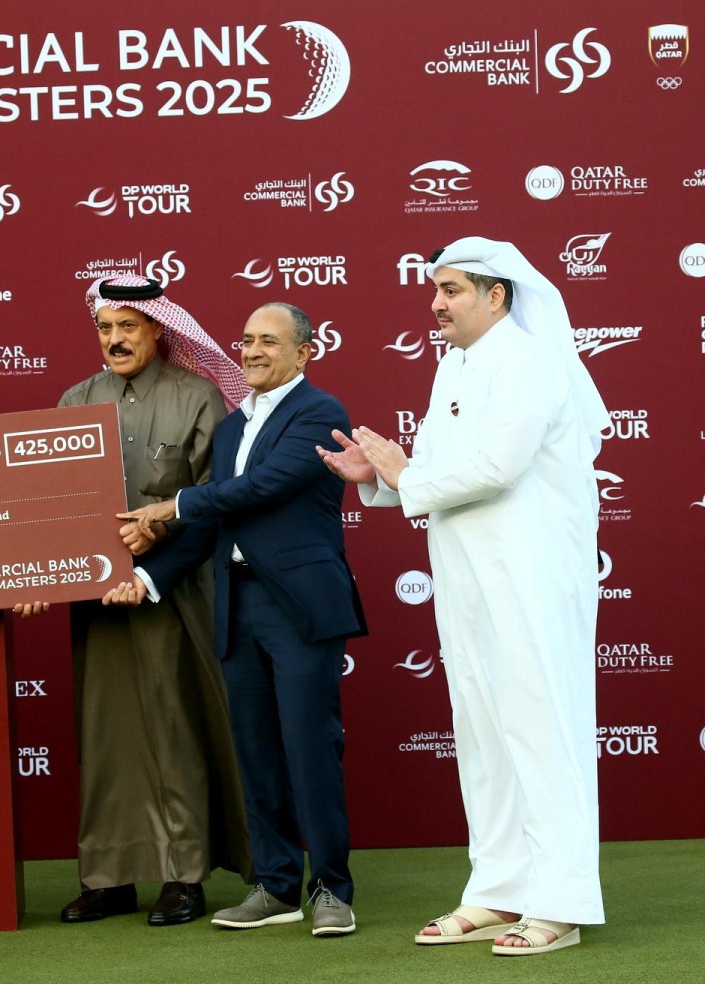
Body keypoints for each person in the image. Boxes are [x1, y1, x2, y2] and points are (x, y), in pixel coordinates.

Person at [318, 236, 608, 956]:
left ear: (496, 295)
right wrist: (379, 477)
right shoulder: (454, 363)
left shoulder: (533, 361)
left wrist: (403, 473)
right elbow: (440, 471)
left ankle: (561, 903)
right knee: (481, 727)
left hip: (532, 573)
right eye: (435, 289)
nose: (435, 303)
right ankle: (498, 887)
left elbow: (498, 468)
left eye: (450, 290)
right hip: (467, 571)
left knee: (543, 730)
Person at [113, 302, 366, 938]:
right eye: (247, 340)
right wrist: (146, 578)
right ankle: (275, 885)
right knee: (255, 752)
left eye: (269, 342)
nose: (252, 351)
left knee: (310, 749)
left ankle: (331, 889)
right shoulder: (229, 431)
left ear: (304, 353)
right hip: (239, 605)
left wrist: (173, 504)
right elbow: (212, 528)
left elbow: (264, 488)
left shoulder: (320, 412)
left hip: (299, 609)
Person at [37, 274, 252, 927]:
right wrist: (32, 576)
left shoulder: (199, 398)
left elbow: (220, 501)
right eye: (105, 328)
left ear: (159, 330)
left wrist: (160, 528)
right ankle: (109, 876)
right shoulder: (75, 399)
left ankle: (184, 875)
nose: (115, 339)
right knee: (107, 736)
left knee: (173, 725)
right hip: (98, 598)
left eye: (128, 326)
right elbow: (50, 506)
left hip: (177, 592)